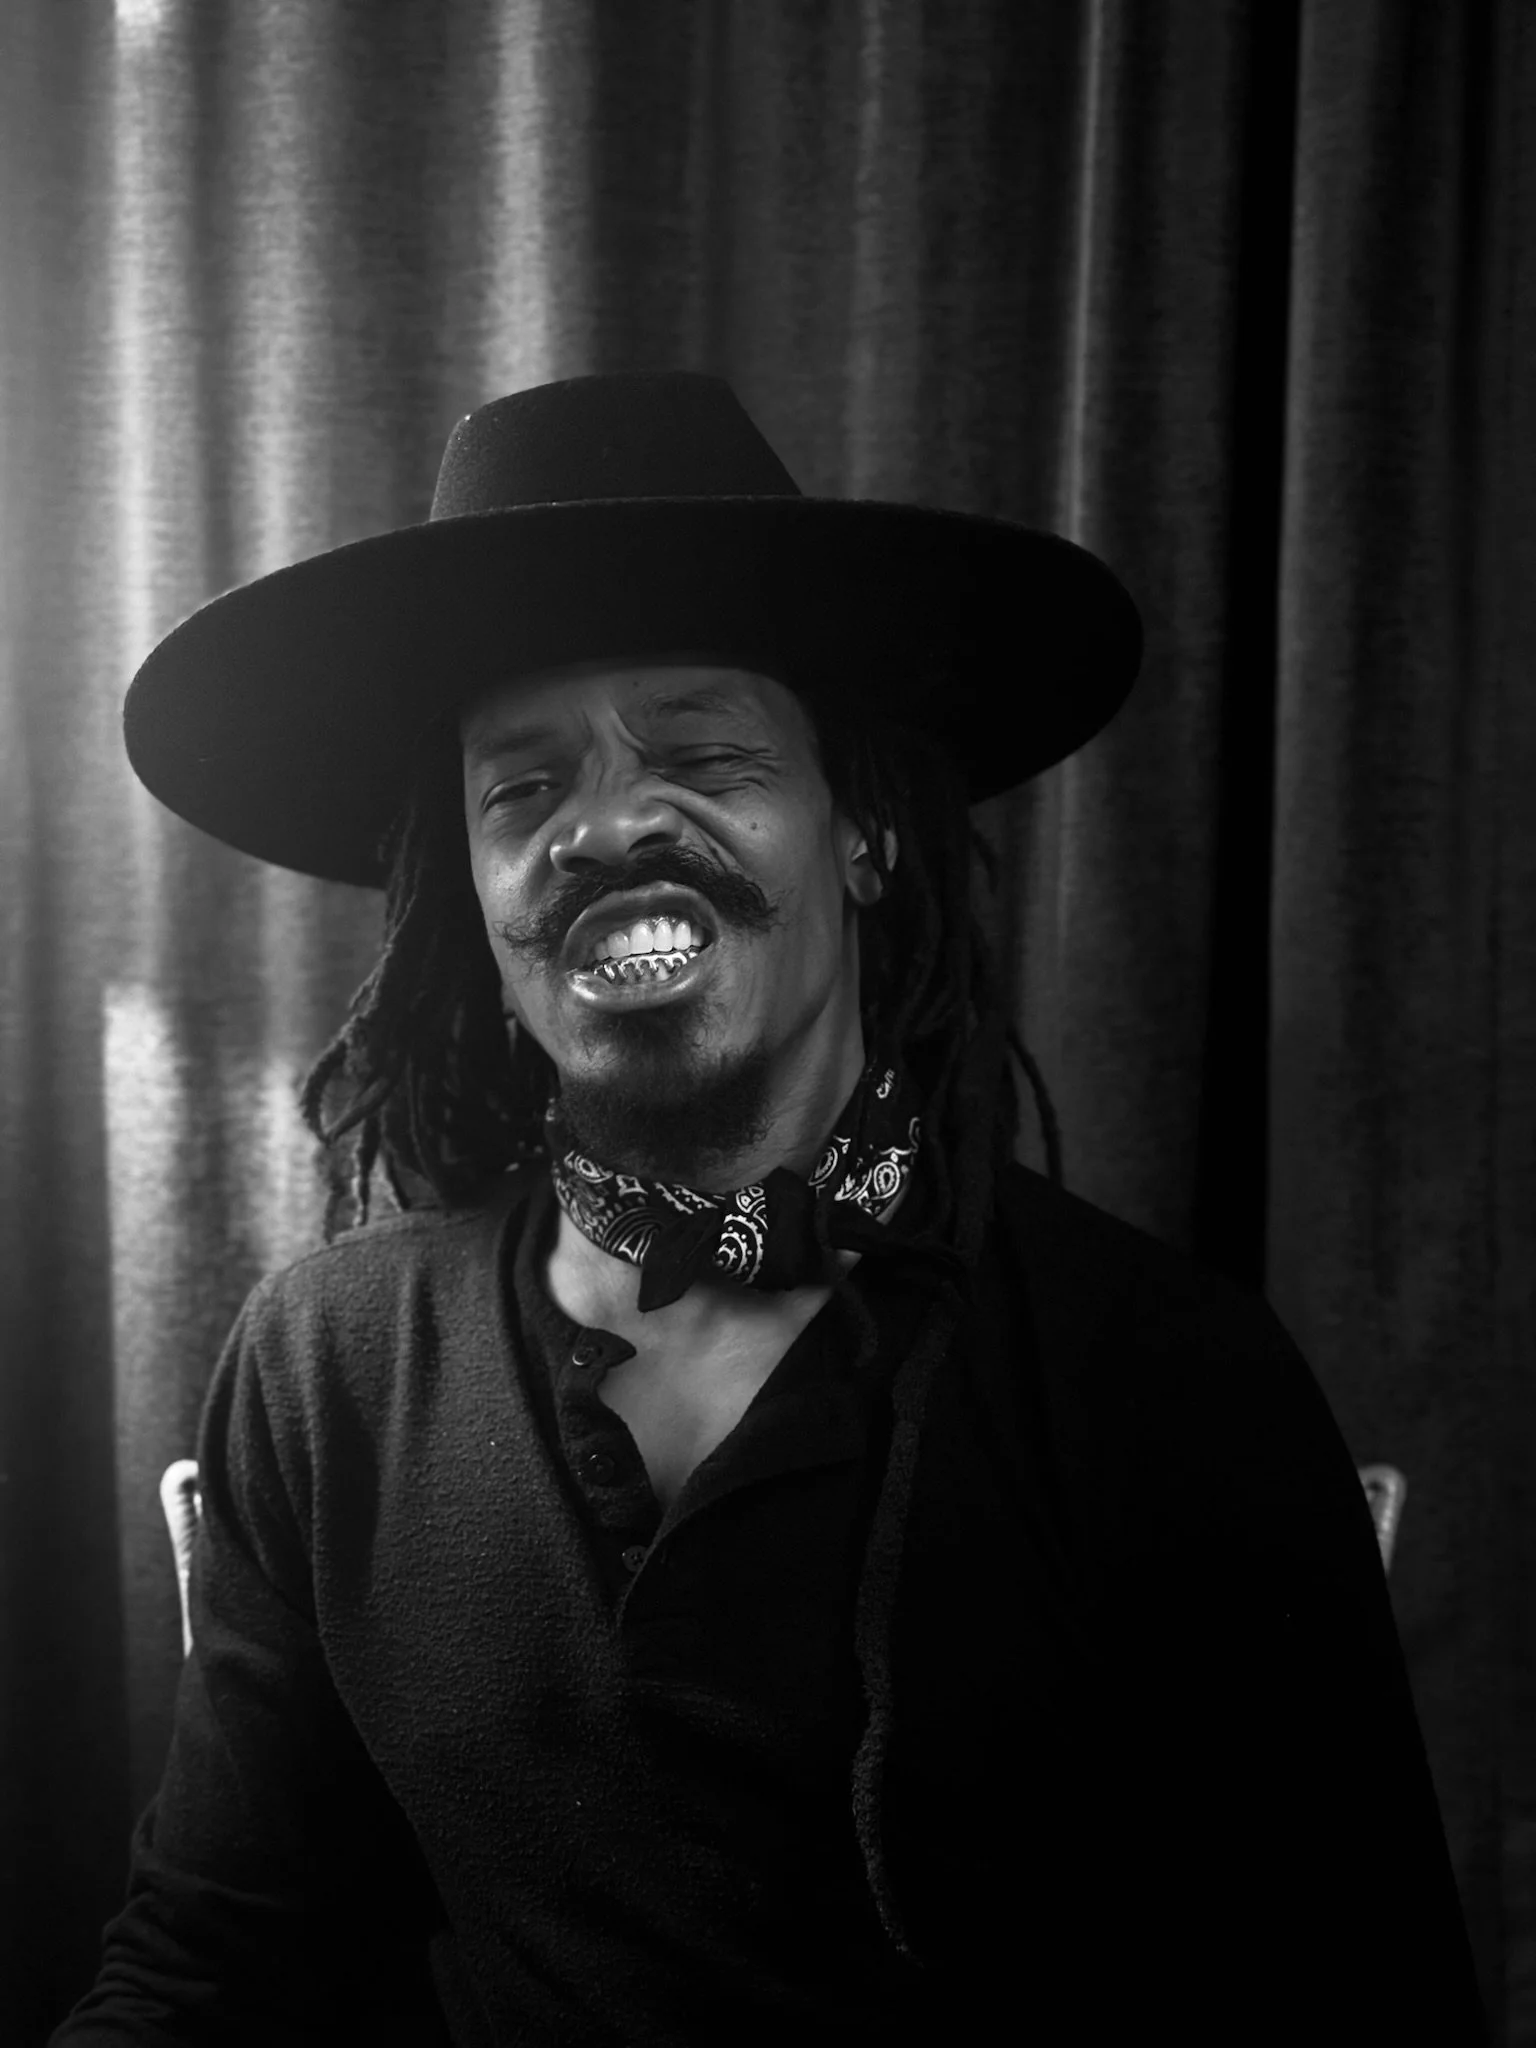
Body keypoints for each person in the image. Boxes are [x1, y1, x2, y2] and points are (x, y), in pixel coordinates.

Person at [54, 372, 1486, 2046]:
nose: (604, 826)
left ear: (864, 828)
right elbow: (212, 1965)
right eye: (522, 788)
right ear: (476, 903)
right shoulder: (328, 1368)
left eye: (701, 753)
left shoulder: (1169, 1379)